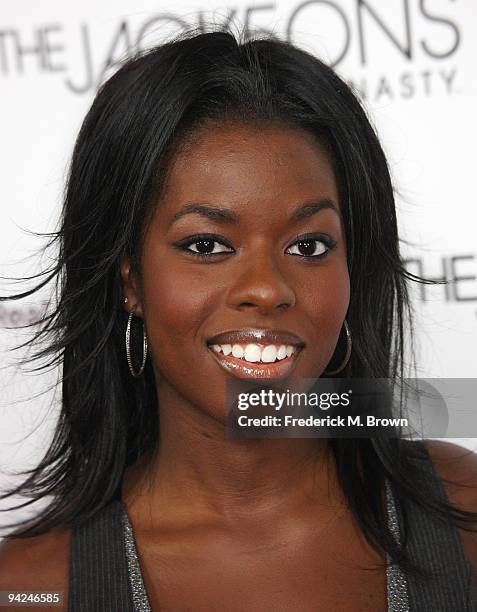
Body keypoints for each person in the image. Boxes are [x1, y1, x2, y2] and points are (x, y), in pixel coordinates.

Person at [0, 27, 477, 611]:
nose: (267, 289)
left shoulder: (465, 510)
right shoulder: (30, 585)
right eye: (206, 245)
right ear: (130, 280)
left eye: (309, 247)